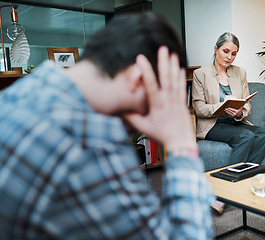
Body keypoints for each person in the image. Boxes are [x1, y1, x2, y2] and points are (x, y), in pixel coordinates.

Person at [0, 12, 214, 240]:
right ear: (139, 77)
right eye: (156, 102)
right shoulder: (93, 145)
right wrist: (181, 144)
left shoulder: (21, 92)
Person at [192, 32, 265, 213]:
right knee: (246, 136)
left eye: (234, 53)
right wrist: (221, 106)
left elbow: (247, 105)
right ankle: (222, 194)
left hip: (235, 122)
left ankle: (241, 182)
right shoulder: (200, 74)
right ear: (216, 49)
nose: (229, 57)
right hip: (214, 124)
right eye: (226, 51)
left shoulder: (240, 72)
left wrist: (239, 111)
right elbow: (198, 108)